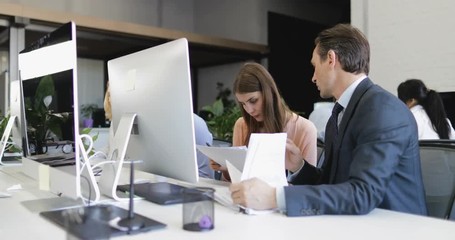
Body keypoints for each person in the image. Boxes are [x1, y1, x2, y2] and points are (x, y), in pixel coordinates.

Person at [229, 24, 427, 216]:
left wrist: (275, 196)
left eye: (315, 66)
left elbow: (363, 194)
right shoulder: (340, 113)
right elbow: (331, 182)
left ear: (331, 59)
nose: (313, 78)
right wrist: (299, 166)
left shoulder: (382, 110)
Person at [211, 62, 318, 180]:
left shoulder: (305, 129)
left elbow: (310, 187)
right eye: (243, 104)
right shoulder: (242, 125)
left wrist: (297, 167)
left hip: (285, 197)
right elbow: (234, 181)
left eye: (253, 101)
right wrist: (226, 168)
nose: (249, 110)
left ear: (269, 93)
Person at [103, 82, 214, 178]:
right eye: (110, 95)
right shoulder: (120, 122)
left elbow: (205, 176)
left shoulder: (193, 124)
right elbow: (109, 154)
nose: (111, 100)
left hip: (179, 194)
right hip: (133, 186)